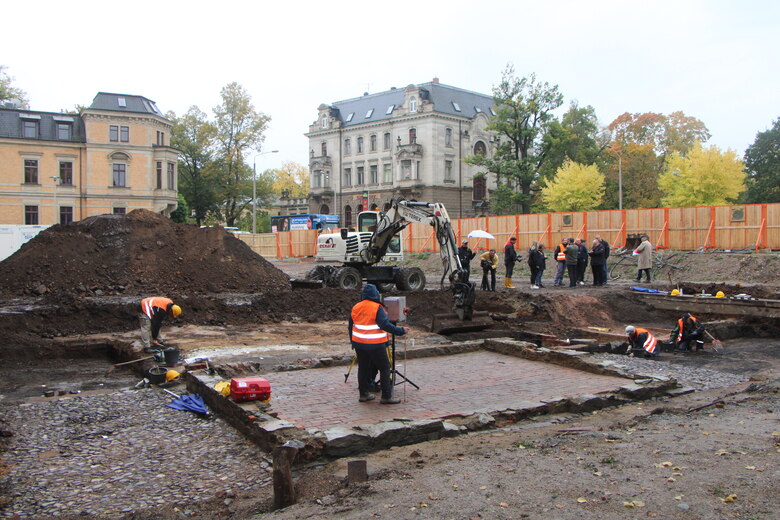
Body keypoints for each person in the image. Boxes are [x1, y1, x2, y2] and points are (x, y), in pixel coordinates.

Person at [348, 284, 406, 404]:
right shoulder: (377, 307)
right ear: (375, 294)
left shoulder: (356, 307)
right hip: (376, 344)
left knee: (363, 368)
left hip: (359, 344)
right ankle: (386, 397)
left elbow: (350, 327)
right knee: (385, 368)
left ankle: (363, 394)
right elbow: (384, 325)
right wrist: (401, 331)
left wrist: (353, 342)